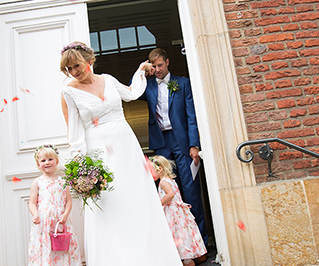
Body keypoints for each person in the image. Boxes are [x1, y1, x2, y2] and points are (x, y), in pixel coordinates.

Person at [60, 41, 183, 266]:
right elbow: (74, 135)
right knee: (109, 204)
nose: (74, 72)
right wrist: (81, 169)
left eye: (76, 66)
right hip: (99, 151)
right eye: (69, 69)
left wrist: (139, 71)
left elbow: (131, 94)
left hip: (126, 144)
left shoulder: (107, 79)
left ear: (89, 61)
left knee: (136, 198)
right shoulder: (69, 92)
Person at [139, 48, 208, 245]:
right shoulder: (148, 87)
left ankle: (200, 242)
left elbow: (191, 116)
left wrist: (194, 144)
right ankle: (175, 244)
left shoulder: (183, 83)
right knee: (167, 191)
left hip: (182, 142)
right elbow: (131, 91)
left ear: (167, 62)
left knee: (190, 189)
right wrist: (143, 72)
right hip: (161, 144)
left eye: (160, 65)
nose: (158, 69)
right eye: (154, 66)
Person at [28, 144, 82, 266]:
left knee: (62, 249)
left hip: (60, 221)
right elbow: (32, 202)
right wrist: (35, 214)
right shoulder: (37, 182)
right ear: (38, 164)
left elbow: (68, 201)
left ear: (56, 161)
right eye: (43, 160)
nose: (47, 162)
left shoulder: (63, 182)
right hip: (44, 222)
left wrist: (65, 214)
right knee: (46, 247)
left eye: (50, 159)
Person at [150, 155, 207, 266]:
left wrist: (159, 204)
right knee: (182, 234)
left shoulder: (163, 182)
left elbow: (170, 194)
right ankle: (187, 259)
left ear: (160, 169)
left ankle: (187, 261)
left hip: (173, 213)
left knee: (176, 235)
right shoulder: (170, 180)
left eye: (151, 171)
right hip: (179, 213)